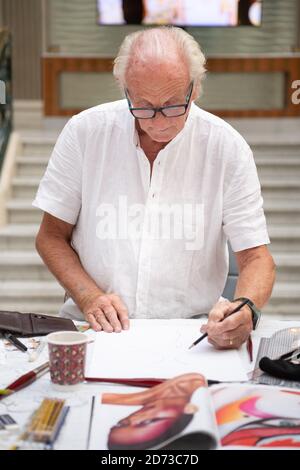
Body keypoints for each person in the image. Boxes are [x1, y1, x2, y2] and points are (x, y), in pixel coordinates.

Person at [33, 26, 275, 350]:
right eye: (144, 106)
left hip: (192, 335)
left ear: (196, 87)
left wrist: (246, 309)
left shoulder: (227, 148)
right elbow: (50, 236)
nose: (159, 122)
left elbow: (257, 258)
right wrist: (89, 296)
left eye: (174, 105)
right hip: (96, 329)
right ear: (125, 89)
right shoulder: (84, 133)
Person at [102, 373, 206, 450]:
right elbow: (194, 379)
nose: (135, 417)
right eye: (147, 422)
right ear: (189, 409)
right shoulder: (200, 387)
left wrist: (141, 396)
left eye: (123, 423)